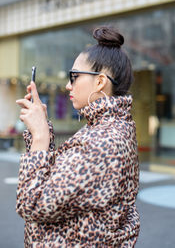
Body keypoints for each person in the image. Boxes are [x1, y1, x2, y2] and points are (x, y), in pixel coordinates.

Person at [16, 26, 140, 247]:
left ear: (100, 82)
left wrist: (41, 137)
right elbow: (59, 183)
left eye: (74, 76)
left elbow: (32, 204)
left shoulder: (104, 141)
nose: (67, 85)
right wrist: (41, 130)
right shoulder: (106, 128)